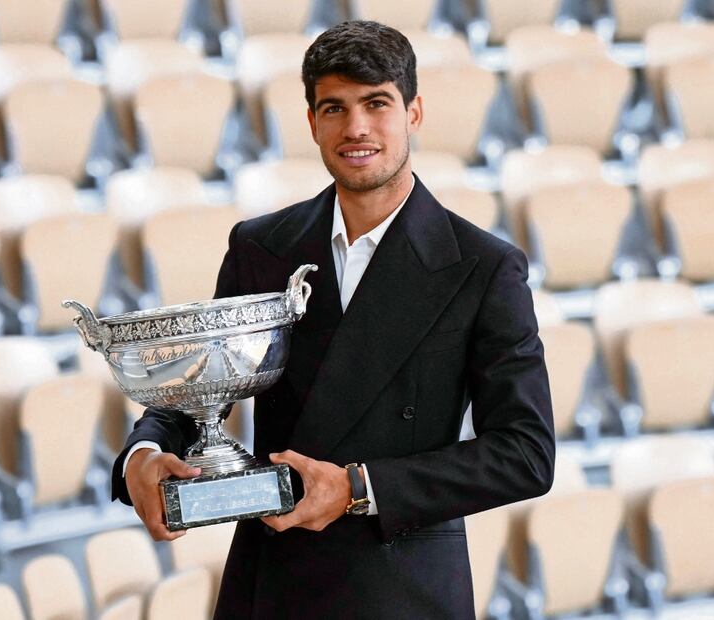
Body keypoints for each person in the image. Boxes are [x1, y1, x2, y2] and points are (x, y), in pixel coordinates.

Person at [112, 20, 555, 619]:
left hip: (402, 588)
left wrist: (357, 488)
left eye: (377, 104)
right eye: (335, 108)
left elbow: (525, 453)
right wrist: (143, 455)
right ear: (312, 122)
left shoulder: (484, 266)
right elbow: (201, 388)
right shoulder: (260, 247)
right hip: (273, 582)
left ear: (414, 112)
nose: (356, 128)